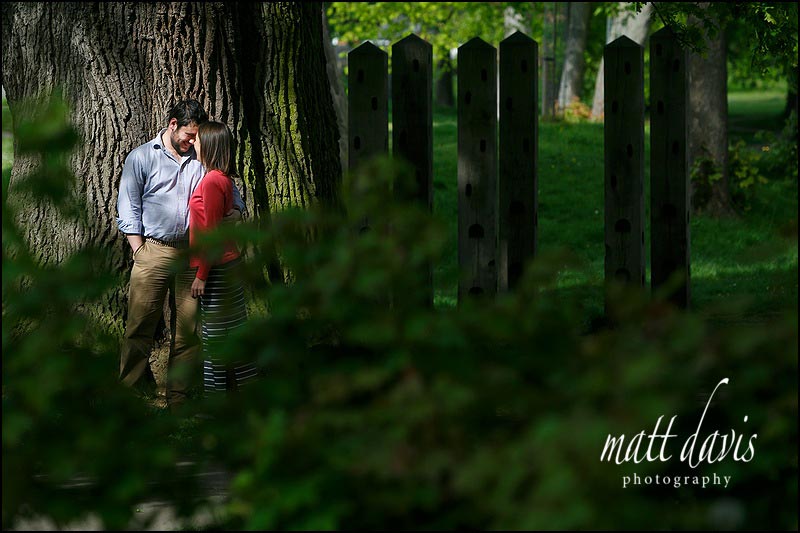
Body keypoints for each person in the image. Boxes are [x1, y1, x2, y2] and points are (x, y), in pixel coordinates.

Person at [116, 99, 245, 408]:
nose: (192, 141)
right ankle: (127, 399)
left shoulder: (202, 158)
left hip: (193, 254)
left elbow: (233, 198)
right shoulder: (142, 157)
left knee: (187, 333)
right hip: (153, 251)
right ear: (173, 125)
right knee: (139, 327)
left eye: (196, 136)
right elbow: (128, 206)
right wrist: (139, 250)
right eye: (188, 135)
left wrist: (235, 214)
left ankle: (177, 401)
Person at [189, 121, 257, 394]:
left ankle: (215, 404)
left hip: (218, 269)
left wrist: (201, 276)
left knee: (214, 339)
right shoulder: (220, 178)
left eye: (198, 140)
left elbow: (213, 235)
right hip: (226, 265)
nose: (193, 143)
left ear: (209, 145)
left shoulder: (211, 182)